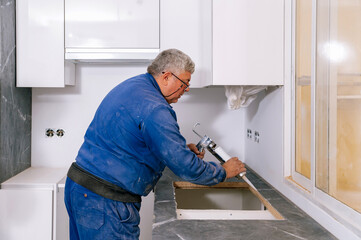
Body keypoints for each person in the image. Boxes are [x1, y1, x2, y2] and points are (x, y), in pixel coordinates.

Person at [64, 49, 246, 240]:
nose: (187, 89)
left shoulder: (135, 86)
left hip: (80, 188)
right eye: (184, 83)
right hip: (106, 201)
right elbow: (186, 167)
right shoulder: (155, 107)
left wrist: (181, 149)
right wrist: (224, 171)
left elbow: (132, 140)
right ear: (167, 76)